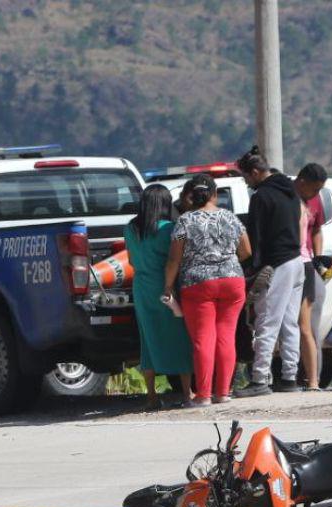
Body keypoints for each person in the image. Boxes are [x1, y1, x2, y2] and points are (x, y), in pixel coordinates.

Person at [162, 174, 251, 406]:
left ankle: (203, 395)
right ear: (214, 194)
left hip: (197, 283)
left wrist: (168, 285)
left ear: (191, 196)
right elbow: (246, 251)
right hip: (232, 281)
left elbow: (174, 258)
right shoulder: (230, 218)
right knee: (226, 336)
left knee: (203, 339)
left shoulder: (185, 221)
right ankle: (223, 393)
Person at [234, 146, 305, 397]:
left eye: (246, 178)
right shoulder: (291, 192)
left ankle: (260, 379)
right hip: (297, 262)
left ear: (255, 172)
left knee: (267, 321)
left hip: (278, 264)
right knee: (289, 324)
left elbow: (257, 237)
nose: (247, 183)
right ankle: (289, 377)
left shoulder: (261, 197)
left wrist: (254, 267)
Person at [126, 184, 193, 409]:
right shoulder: (169, 229)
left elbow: (132, 261)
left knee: (148, 339)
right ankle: (187, 393)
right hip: (167, 288)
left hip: (141, 288)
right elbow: (176, 260)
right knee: (179, 337)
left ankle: (152, 396)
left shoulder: (131, 228)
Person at [295, 163, 328, 390]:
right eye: (314, 190)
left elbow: (316, 230)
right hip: (290, 263)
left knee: (310, 327)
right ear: (302, 182)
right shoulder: (287, 197)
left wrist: (319, 259)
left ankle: (313, 377)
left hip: (308, 266)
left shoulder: (315, 201)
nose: (316, 195)